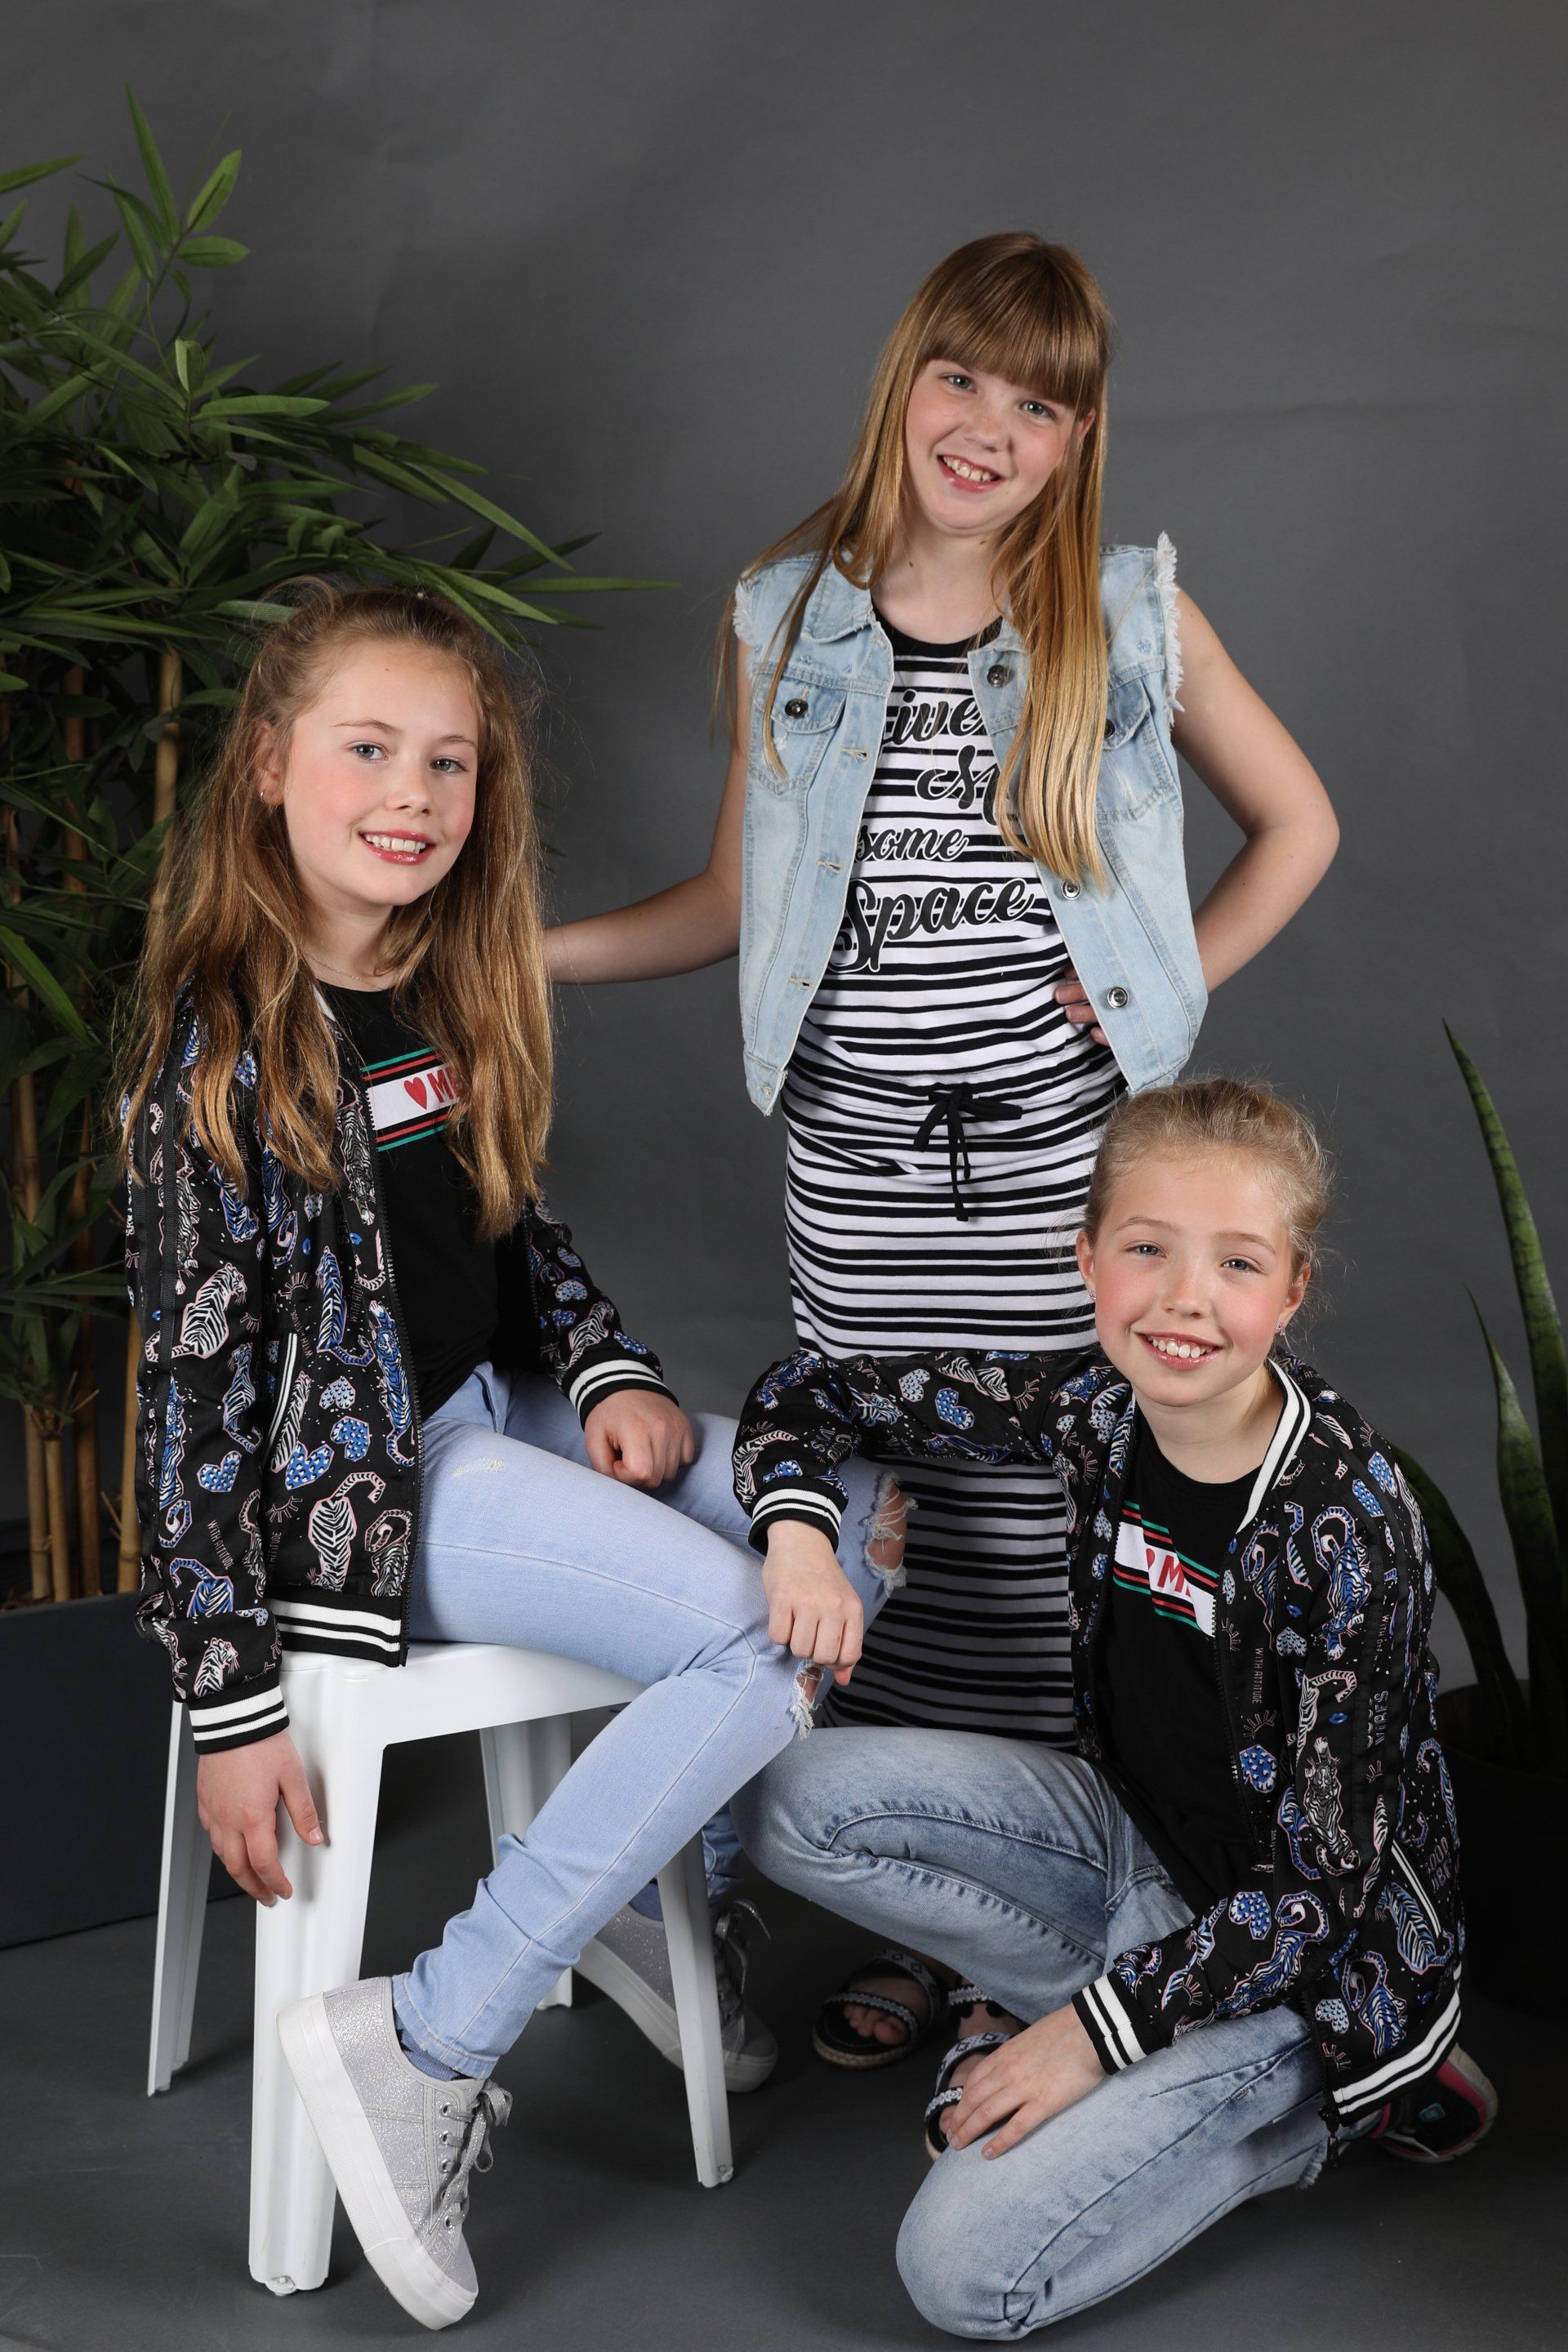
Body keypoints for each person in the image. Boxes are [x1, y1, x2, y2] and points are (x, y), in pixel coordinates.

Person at [546, 233, 1339, 2061]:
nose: (989, 427)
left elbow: (1298, 824)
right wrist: (531, 953)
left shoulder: (1126, 618)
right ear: (906, 379)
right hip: (859, 1177)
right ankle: (921, 1915)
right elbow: (738, 902)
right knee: (903, 1529)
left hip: (1059, 1177)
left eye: (1038, 404)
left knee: (1056, 1535)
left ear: (1080, 438)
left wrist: (1151, 988)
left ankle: (1024, 1945)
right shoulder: (786, 614)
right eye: (962, 379)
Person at [118, 583, 904, 2333]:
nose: (413, 794)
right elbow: (185, 1411)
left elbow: (509, 1235)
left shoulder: (430, 991)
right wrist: (229, 1707)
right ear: (270, 766)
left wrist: (610, 1371)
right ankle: (426, 2037)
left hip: (494, 1416)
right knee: (757, 1631)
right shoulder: (218, 1053)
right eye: (369, 749)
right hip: (367, 1494)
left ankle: (637, 1889)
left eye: (449, 762)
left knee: (858, 1515)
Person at [729, 1078, 1495, 2336]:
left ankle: (1335, 2104)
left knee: (961, 2275)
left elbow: (1322, 1895)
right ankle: (1113, 2015)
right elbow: (814, 1391)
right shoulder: (1093, 1407)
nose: (1185, 1298)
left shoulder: (1347, 1525)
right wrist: (801, 1532)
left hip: (1306, 1965)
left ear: (1291, 1292)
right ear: (1086, 1261)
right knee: (784, 1797)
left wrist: (1095, 2036)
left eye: (1236, 1263)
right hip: (1131, 1844)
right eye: (1147, 1249)